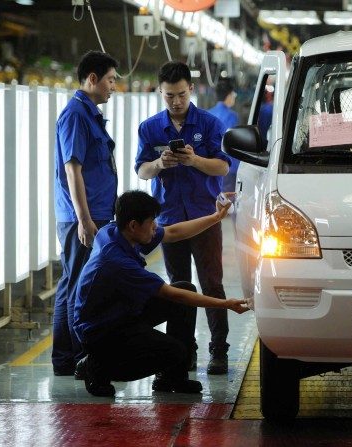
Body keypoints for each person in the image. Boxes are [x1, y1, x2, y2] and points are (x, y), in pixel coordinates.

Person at [73, 190, 249, 397]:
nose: (156, 226)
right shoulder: (116, 261)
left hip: (120, 311)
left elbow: (173, 232)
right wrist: (226, 304)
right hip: (100, 331)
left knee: (185, 287)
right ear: (133, 225)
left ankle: (173, 378)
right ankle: (97, 367)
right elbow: (171, 294)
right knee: (173, 351)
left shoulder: (115, 231)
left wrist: (216, 217)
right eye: (152, 222)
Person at [135, 61, 233, 375]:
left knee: (212, 285)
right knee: (179, 287)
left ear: (191, 88)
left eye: (180, 94)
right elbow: (141, 171)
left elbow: (223, 167)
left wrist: (195, 160)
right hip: (169, 222)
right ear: (160, 93)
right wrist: (160, 164)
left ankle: (219, 350)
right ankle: (184, 352)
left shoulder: (211, 123)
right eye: (168, 96)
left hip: (205, 217)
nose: (175, 101)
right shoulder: (150, 129)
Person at [52, 50, 119, 377]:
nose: (113, 87)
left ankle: (69, 358)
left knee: (76, 283)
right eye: (110, 80)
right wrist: (84, 219)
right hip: (83, 217)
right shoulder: (76, 115)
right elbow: (72, 170)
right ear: (92, 79)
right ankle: (71, 358)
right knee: (77, 285)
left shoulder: (88, 113)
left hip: (94, 214)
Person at [208, 78, 239, 193]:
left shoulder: (208, 114)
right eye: (234, 94)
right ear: (229, 95)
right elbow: (232, 142)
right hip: (228, 167)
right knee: (228, 202)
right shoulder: (232, 116)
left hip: (210, 165)